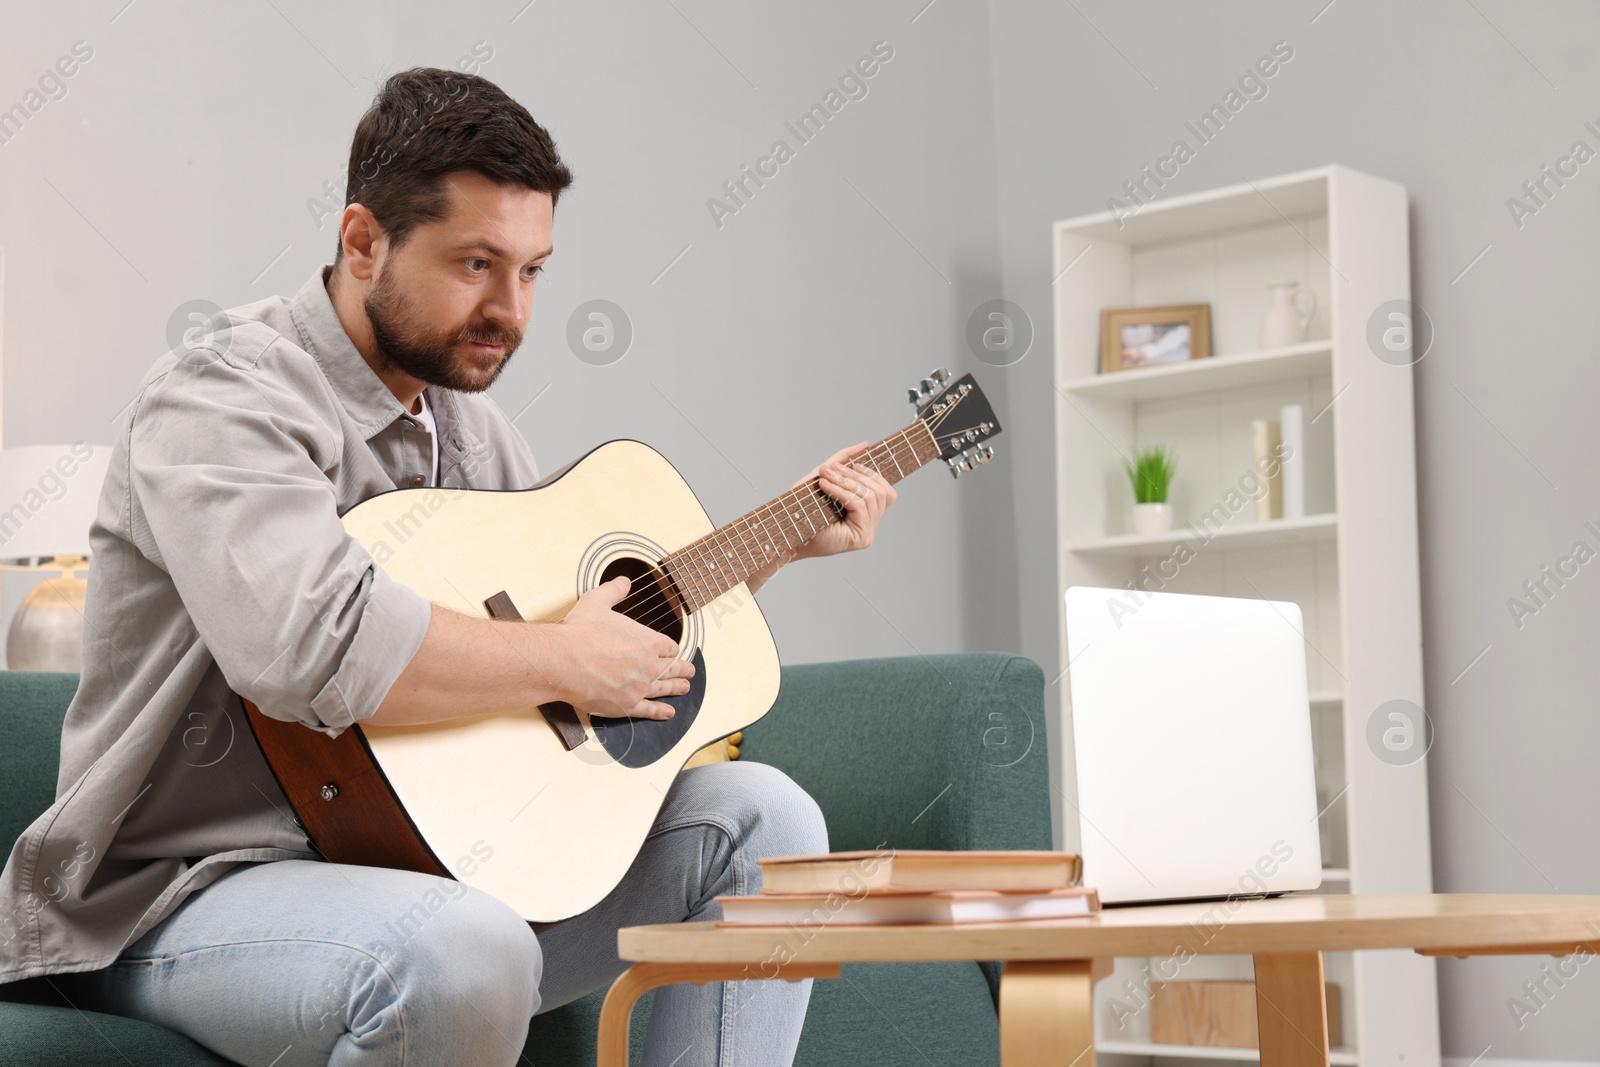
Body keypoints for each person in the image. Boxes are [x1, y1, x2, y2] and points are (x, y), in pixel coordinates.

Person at [0, 67, 898, 1067]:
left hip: (422, 859)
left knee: (767, 818)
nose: (508, 309)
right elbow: (314, 649)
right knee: (463, 943)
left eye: (531, 270)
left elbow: (581, 636)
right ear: (361, 241)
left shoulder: (469, 426)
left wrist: (763, 556)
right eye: (476, 263)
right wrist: (563, 658)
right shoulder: (222, 393)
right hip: (177, 893)